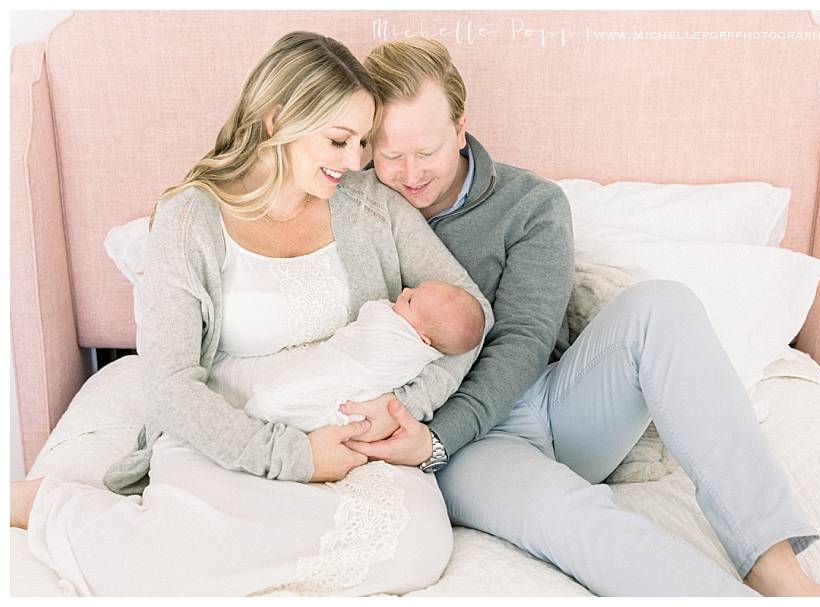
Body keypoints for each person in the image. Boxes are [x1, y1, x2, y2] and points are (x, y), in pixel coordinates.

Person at [338, 37, 820, 597]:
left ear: (460, 128)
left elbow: (525, 340)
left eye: (426, 152)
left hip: (552, 400)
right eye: (389, 155)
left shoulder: (531, 204)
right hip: (467, 446)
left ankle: (774, 561)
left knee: (662, 305)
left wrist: (437, 437)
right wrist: (433, 442)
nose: (409, 175)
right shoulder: (358, 208)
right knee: (570, 515)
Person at [10, 32, 493, 597]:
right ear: (277, 121)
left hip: (345, 440)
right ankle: (48, 503)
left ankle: (230, 550)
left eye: (363, 142)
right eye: (339, 141)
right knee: (147, 571)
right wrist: (294, 456)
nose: (358, 161)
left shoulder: (370, 205)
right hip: (227, 434)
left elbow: (470, 314)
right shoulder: (189, 220)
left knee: (414, 548)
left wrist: (397, 410)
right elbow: (169, 386)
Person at [244, 280, 486, 432]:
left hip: (353, 390)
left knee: (290, 395)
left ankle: (275, 412)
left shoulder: (400, 340)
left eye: (410, 301)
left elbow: (372, 310)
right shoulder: (424, 341)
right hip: (332, 370)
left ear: (423, 340)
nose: (404, 291)